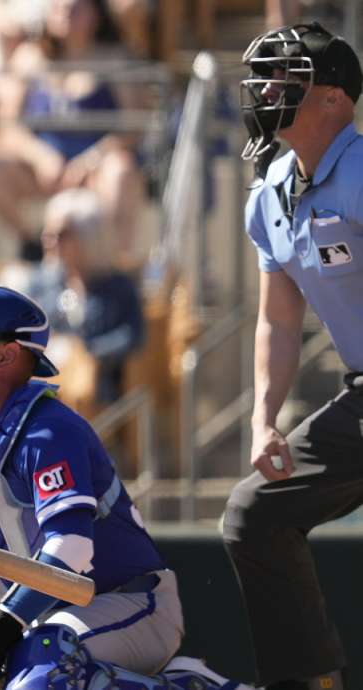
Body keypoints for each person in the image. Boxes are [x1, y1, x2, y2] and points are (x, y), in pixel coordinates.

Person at [0, 286, 246, 690]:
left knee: (45, 655)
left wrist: (3, 625)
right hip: (42, 613)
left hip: (128, 602)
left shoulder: (47, 429)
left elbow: (72, 549)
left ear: (6, 355)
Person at [224, 22, 363, 690]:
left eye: (288, 78)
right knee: (255, 516)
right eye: (265, 77)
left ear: (335, 98)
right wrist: (263, 419)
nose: (267, 90)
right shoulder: (270, 192)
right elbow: (278, 322)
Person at [0, 0, 145, 262]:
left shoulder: (115, 58)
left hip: (96, 170)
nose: (65, 14)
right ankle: (32, 243)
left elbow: (134, 126)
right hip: (42, 170)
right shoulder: (30, 58)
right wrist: (41, 156)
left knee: (120, 170)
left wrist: (91, 160)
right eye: (58, 7)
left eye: (75, 8)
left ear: (96, 14)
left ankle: (113, 262)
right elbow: (7, 126)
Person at [22, 188, 143, 403]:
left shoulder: (117, 287)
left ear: (89, 235)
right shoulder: (41, 283)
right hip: (44, 380)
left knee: (81, 385)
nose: (50, 241)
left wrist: (87, 353)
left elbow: (132, 336)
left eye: (61, 235)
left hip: (96, 388)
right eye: (47, 233)